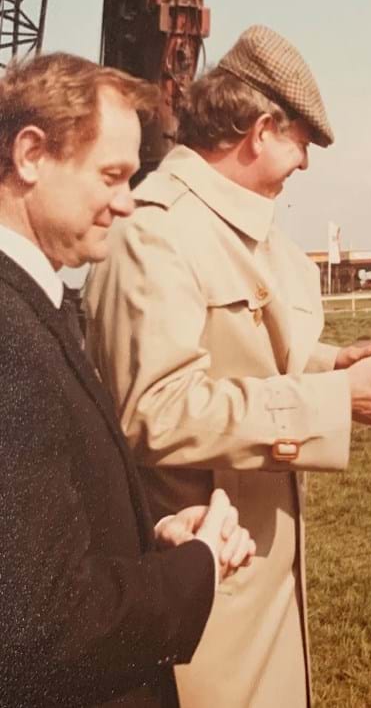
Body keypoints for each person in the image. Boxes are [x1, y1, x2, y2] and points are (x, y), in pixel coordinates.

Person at [83, 24, 371, 708]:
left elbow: (243, 355)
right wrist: (336, 399)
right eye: (301, 144)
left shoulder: (238, 228)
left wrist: (336, 360)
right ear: (260, 128)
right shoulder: (155, 231)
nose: (304, 165)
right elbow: (155, 410)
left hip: (258, 581)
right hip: (200, 585)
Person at [0, 52, 255, 707]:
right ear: (31, 155)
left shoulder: (38, 303)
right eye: (111, 175)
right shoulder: (10, 332)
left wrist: (156, 539)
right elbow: (52, 623)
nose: (127, 200)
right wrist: (197, 565)